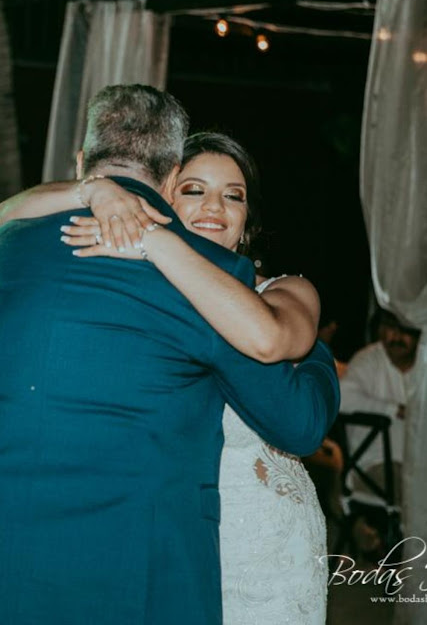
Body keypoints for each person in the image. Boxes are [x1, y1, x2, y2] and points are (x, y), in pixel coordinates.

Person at [0, 85, 339, 625]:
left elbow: (282, 363)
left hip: (240, 536)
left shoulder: (15, 246)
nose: (213, 207)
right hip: (148, 555)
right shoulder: (193, 280)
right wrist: (102, 198)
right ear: (167, 184)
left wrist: (140, 230)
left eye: (234, 195)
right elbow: (297, 420)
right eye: (195, 189)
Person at [340, 308, 421, 504]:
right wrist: (394, 410)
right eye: (389, 327)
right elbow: (342, 398)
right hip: (377, 467)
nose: (396, 336)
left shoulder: (423, 364)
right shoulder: (368, 360)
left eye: (404, 329)